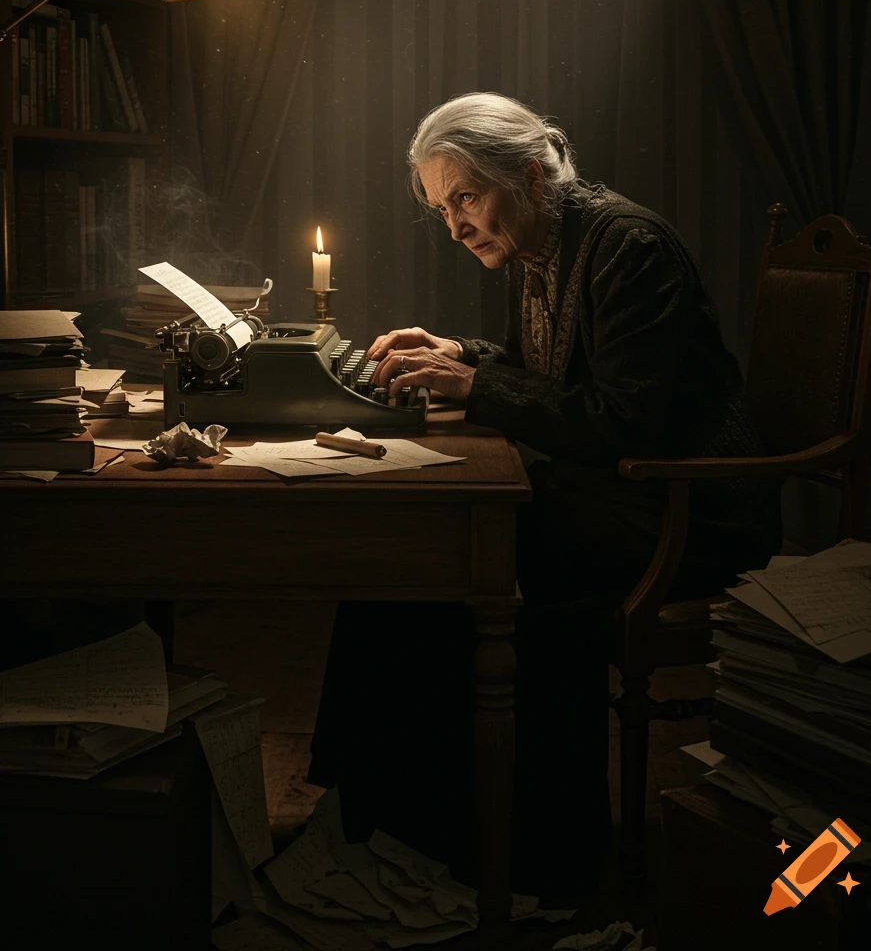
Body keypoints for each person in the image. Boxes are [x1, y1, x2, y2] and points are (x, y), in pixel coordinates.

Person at [307, 92, 782, 898]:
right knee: (402, 567)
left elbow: (619, 419)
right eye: (441, 207)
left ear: (528, 176)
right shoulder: (544, 240)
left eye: (465, 197)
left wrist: (473, 382)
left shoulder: (630, 246)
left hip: (683, 515)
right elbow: (556, 374)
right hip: (613, 497)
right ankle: (386, 827)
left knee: (444, 575)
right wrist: (461, 349)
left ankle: (515, 855)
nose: (455, 225)